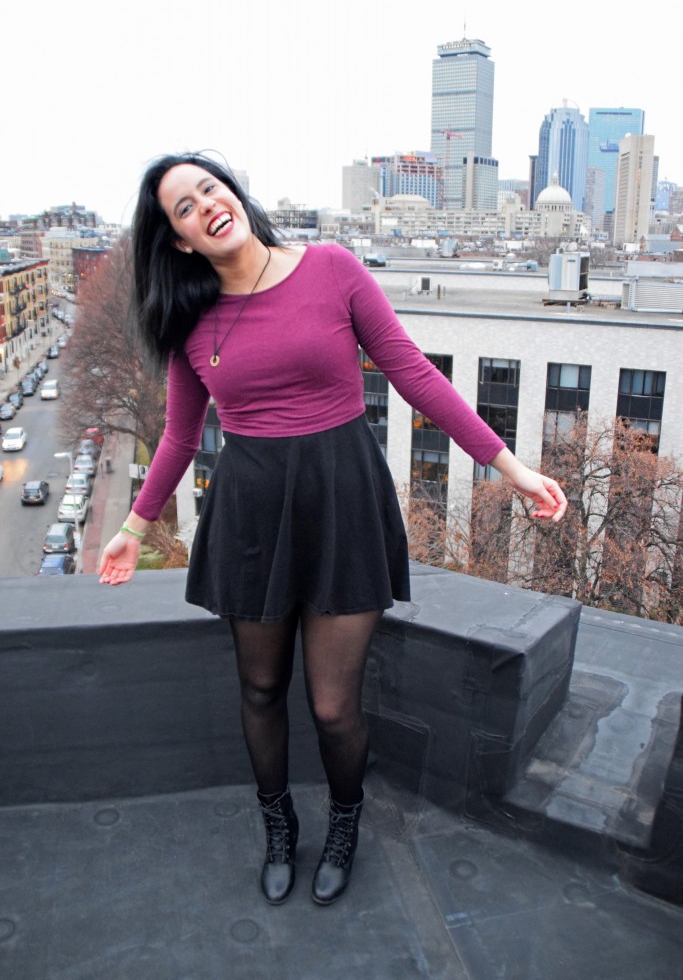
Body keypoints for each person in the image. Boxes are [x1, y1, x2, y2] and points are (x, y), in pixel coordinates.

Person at [99, 151, 567, 908]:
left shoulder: (331, 268)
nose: (206, 205)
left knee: (331, 706)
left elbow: (412, 372)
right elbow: (182, 435)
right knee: (259, 688)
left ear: (233, 193)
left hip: (343, 502)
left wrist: (507, 466)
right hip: (251, 514)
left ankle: (344, 822)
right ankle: (278, 826)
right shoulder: (190, 320)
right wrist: (133, 524)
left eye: (209, 188)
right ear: (179, 239)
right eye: (184, 207)